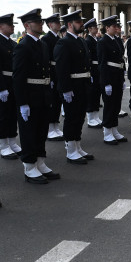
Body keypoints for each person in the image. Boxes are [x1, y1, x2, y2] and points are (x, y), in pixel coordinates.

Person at [13, 9, 60, 184]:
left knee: (41, 131)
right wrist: (22, 102)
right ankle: (29, 166)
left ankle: (40, 162)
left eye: (41, 22)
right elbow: (18, 77)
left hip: (43, 93)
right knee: (29, 133)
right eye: (37, 22)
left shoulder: (42, 44)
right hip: (30, 96)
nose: (41, 24)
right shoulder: (23, 45)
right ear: (27, 25)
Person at [54, 10, 93, 163]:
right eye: (78, 22)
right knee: (71, 118)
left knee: (79, 117)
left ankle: (77, 145)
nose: (81, 24)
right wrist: (66, 89)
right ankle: (71, 150)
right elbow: (62, 69)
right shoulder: (63, 42)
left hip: (82, 84)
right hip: (72, 86)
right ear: (70, 25)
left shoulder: (80, 40)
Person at [0, 13, 22, 160]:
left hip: (13, 82)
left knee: (13, 114)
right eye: (10, 25)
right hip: (3, 82)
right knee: (3, 114)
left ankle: (12, 140)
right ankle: (3, 144)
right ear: (0, 27)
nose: (12, 27)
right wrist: (1, 88)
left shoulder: (13, 43)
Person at [98, 15, 128, 144]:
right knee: (109, 106)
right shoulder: (102, 42)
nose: (116, 28)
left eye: (117, 26)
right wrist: (106, 83)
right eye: (114, 26)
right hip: (109, 76)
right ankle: (107, 132)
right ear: (107, 28)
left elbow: (121, 59)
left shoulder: (116, 40)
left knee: (116, 105)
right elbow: (102, 64)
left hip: (117, 75)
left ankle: (114, 129)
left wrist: (122, 78)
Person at [41, 14, 65, 139]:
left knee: (58, 100)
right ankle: (51, 128)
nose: (59, 24)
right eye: (56, 23)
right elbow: (46, 60)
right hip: (52, 72)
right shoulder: (46, 39)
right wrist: (49, 76)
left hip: (58, 72)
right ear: (50, 25)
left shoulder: (57, 38)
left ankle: (55, 125)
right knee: (52, 101)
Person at [82, 18, 103, 129]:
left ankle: (95, 116)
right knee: (92, 94)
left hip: (97, 68)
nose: (97, 28)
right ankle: (90, 118)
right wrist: (89, 71)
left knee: (97, 93)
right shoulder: (88, 41)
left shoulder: (96, 40)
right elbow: (87, 58)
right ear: (90, 29)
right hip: (92, 69)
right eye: (95, 27)